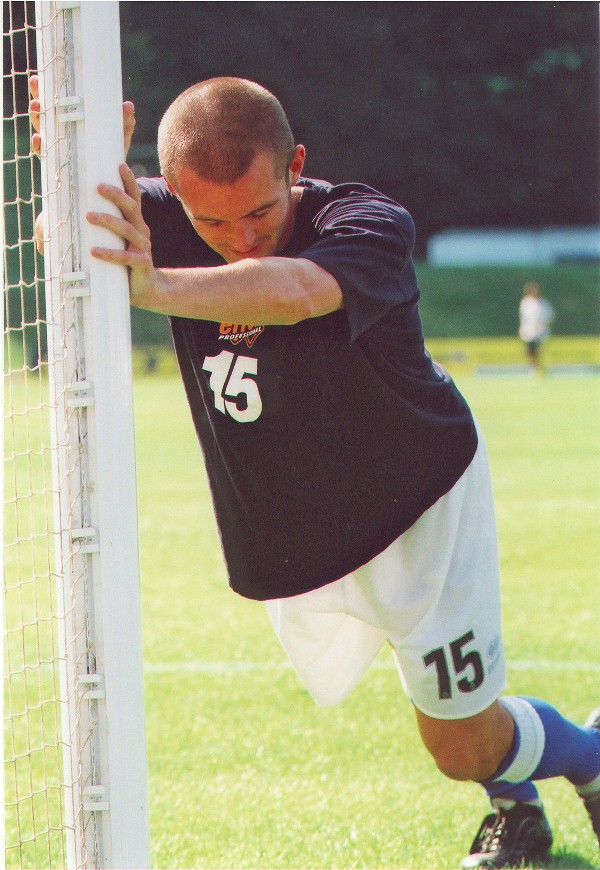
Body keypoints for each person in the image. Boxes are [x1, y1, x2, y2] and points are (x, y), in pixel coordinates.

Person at [30, 76, 599, 868]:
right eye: (211, 220)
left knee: (460, 745)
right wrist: (68, 171)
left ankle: (590, 754)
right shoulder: (166, 218)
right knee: (459, 730)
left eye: (261, 212)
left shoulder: (365, 221)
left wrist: (155, 284)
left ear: (296, 163)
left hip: (418, 507)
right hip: (299, 527)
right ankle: (520, 811)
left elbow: (295, 292)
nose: (242, 238)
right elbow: (67, 243)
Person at [518, 281, 555, 374]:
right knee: (531, 351)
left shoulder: (544, 303)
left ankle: (540, 368)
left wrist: (543, 325)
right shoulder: (525, 303)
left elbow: (550, 316)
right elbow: (525, 318)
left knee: (539, 350)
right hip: (529, 332)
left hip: (541, 332)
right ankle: (535, 368)